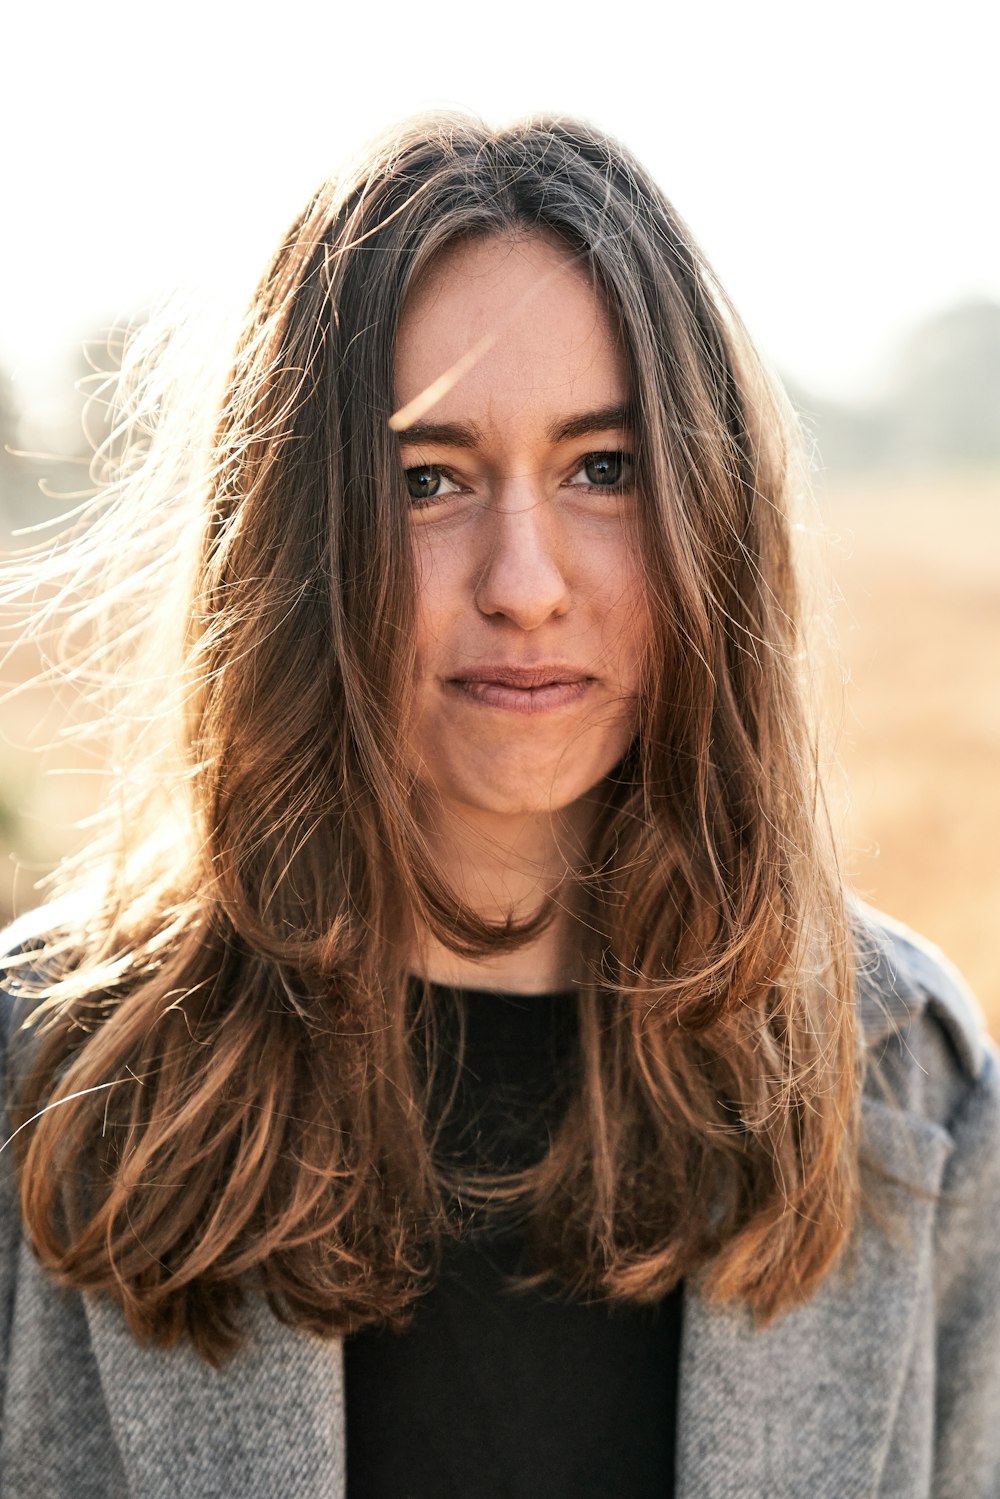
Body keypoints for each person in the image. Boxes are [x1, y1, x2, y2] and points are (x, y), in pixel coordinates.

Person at [0, 113, 997, 1499]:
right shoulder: (46, 1076)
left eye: (604, 469)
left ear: (711, 514)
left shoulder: (905, 1079)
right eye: (428, 482)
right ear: (296, 537)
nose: (524, 582)